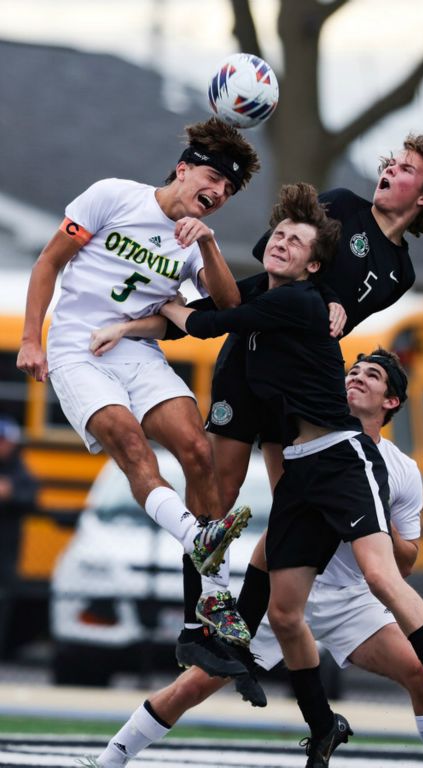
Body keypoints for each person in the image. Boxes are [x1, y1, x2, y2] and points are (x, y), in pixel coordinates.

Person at [159, 182, 423, 763]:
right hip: (303, 464)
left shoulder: (309, 300)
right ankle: (310, 715)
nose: (390, 170)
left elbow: (209, 321)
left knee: (382, 578)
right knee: (281, 605)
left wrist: (159, 306)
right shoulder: (300, 273)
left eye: (407, 167)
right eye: (278, 236)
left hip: (335, 460)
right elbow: (236, 300)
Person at [81, 348, 423, 768]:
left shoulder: (400, 469)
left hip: (347, 596)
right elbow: (279, 501)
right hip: (285, 586)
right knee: (194, 685)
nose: (356, 378)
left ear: (392, 402)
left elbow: (405, 562)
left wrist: (367, 519)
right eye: (352, 371)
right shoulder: (302, 437)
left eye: (372, 375)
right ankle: (109, 759)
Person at [16, 116, 261, 680]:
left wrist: (211, 247)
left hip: (134, 349)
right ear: (183, 169)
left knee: (197, 452)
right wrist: (33, 338)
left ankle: (210, 601)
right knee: (131, 444)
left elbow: (224, 310)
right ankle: (197, 535)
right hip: (78, 346)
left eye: (229, 190)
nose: (220, 192)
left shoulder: (196, 240)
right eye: (214, 179)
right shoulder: (113, 197)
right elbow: (49, 261)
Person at [0, 416, 39, 658]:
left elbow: (31, 497)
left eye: (3, 441)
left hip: (6, 551)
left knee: (4, 599)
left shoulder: (18, 468)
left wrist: (10, 492)